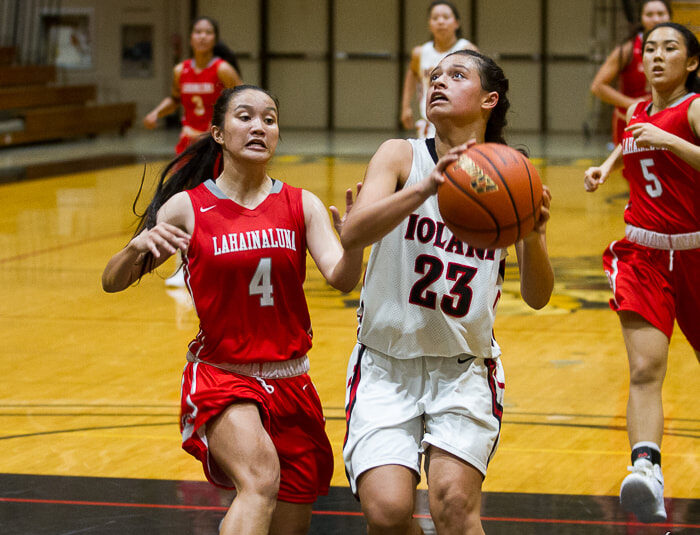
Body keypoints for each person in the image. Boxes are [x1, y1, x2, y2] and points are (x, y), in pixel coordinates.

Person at [103, 85, 364, 535]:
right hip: (223, 375)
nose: (260, 126)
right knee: (260, 480)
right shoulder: (188, 207)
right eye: (245, 117)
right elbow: (112, 281)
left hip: (292, 378)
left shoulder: (302, 204)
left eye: (270, 118)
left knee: (289, 519)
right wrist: (135, 249)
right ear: (219, 133)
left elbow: (341, 277)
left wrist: (356, 241)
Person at [342, 50, 554, 534]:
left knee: (454, 508)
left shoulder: (515, 172)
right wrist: (424, 190)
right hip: (385, 364)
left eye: (456, 75)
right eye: (434, 75)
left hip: (462, 370)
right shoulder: (401, 155)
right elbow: (353, 234)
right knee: (388, 512)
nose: (437, 81)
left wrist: (534, 235)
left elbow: (538, 295)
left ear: (488, 100)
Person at [584, 22, 699, 524]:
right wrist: (606, 167)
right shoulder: (636, 110)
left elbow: (660, 140)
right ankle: (646, 469)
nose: (656, 57)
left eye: (670, 49)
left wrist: (669, 142)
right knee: (645, 369)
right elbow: (635, 138)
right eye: (650, 49)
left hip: (695, 253)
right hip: (645, 255)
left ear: (691, 63)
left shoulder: (694, 108)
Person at [143, 16, 243, 287]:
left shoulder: (223, 70)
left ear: (214, 38)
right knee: (181, 201)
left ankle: (225, 258)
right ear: (191, 37)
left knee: (215, 203)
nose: (201, 37)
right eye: (197, 32)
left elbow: (242, 102)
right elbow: (175, 99)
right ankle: (181, 264)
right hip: (187, 145)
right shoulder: (180, 70)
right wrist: (156, 112)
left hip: (213, 146)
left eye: (207, 32)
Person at [590, 1, 672, 147]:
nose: (656, 19)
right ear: (641, 19)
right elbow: (598, 86)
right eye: (649, 14)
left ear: (670, 16)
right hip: (630, 121)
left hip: (665, 120)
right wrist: (632, 104)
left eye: (660, 14)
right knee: (629, 168)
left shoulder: (680, 48)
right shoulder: (627, 49)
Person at [401, 1, 478, 139]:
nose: (440, 21)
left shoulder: (468, 50)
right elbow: (412, 74)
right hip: (430, 123)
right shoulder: (420, 52)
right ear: (429, 24)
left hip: (460, 122)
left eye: (446, 17)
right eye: (435, 18)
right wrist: (406, 106)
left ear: (456, 23)